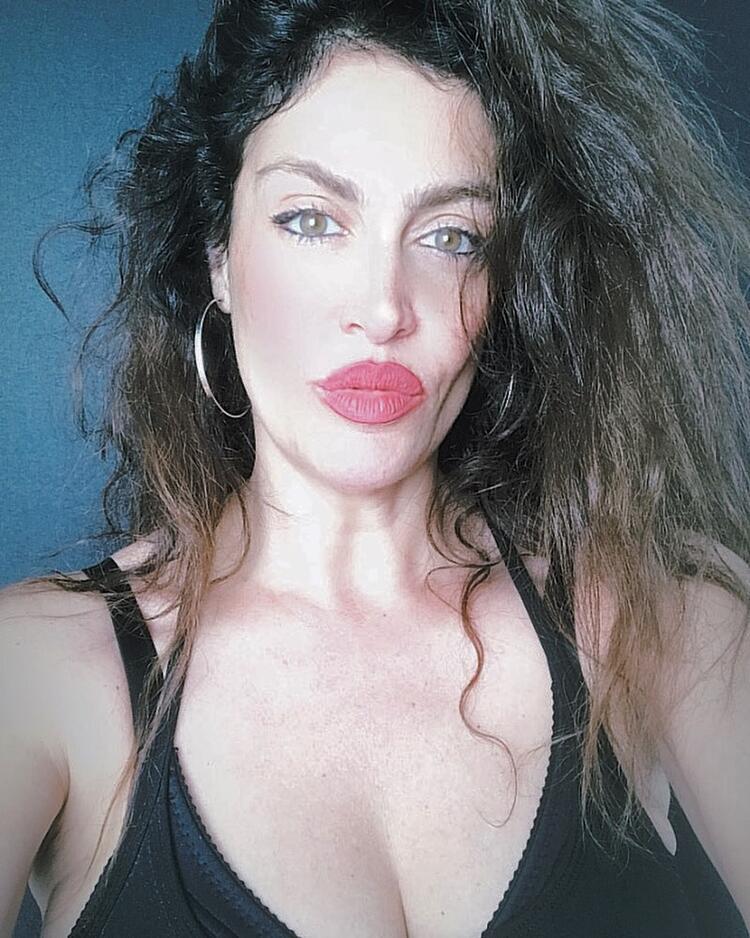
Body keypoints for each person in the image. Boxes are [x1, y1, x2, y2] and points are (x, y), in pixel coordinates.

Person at [1, 0, 749, 935]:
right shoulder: (39, 674)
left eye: (451, 236)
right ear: (219, 258)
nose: (386, 307)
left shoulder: (657, 624)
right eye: (312, 219)